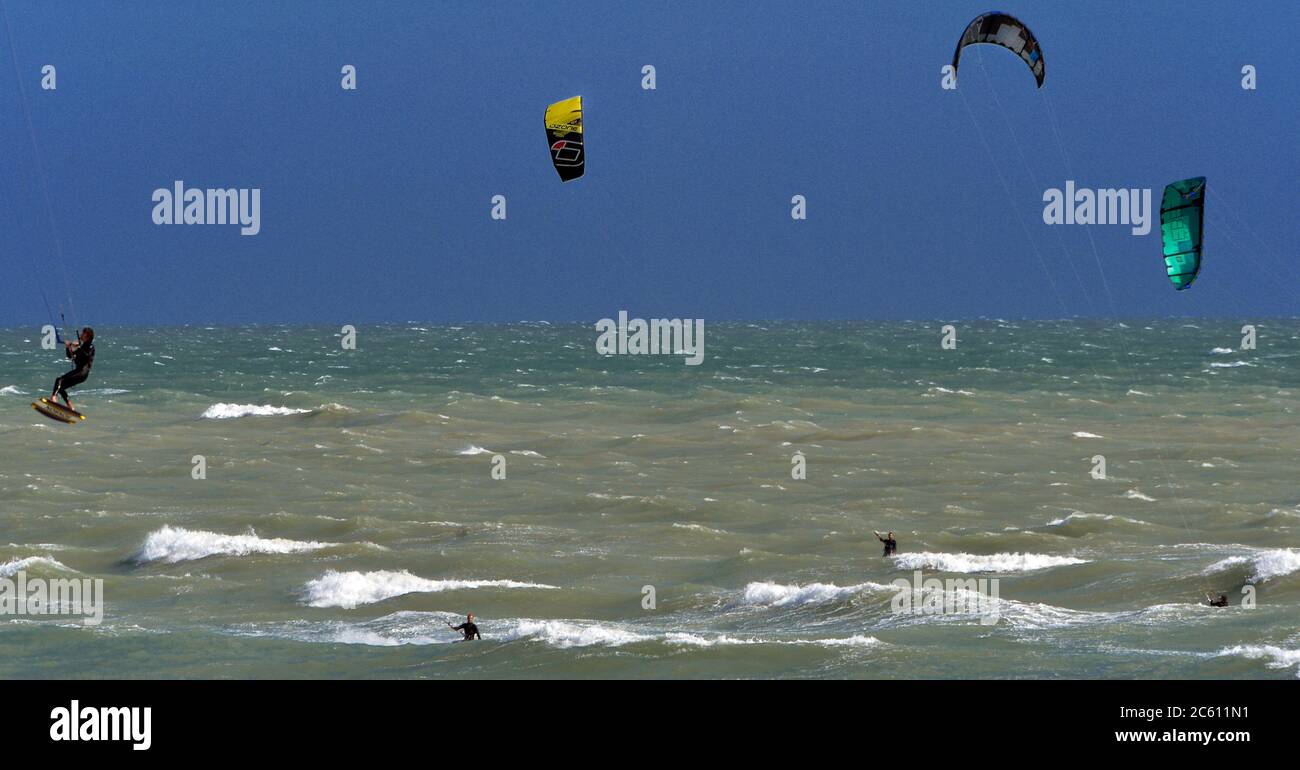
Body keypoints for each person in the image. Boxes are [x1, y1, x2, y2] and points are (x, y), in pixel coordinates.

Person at [52, 327, 95, 411]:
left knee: (59, 380)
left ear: (88, 336)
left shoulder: (90, 346)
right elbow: (70, 356)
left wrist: (78, 347)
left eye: (83, 334)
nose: (81, 335)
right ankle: (70, 407)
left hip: (82, 372)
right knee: (60, 387)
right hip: (79, 373)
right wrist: (68, 347)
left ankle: (53, 398)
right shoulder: (82, 346)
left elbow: (86, 356)